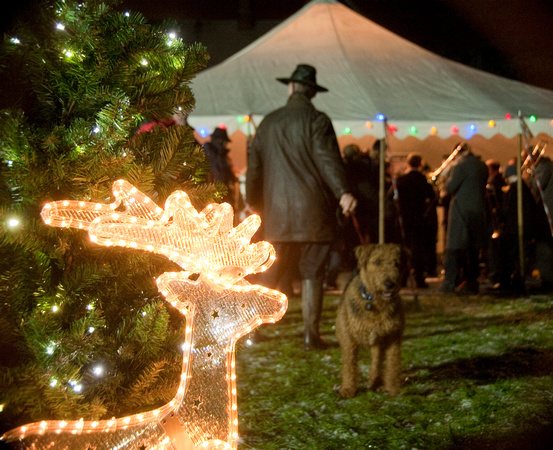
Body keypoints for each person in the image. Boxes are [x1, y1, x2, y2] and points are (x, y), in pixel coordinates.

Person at [246, 64, 357, 350]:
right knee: (313, 273)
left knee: (270, 273)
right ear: (312, 92)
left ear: (291, 88)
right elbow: (328, 160)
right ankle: (310, 335)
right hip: (314, 214)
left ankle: (254, 331)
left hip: (276, 215)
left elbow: (255, 168)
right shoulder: (317, 120)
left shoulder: (269, 122)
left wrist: (253, 203)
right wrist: (343, 191)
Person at [440, 143, 489, 295]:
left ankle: (450, 282)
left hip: (461, 211)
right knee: (473, 250)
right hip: (478, 210)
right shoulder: (482, 165)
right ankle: (471, 282)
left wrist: (445, 178)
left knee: (455, 248)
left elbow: (449, 188)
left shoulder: (460, 166)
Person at [395, 153, 436, 288]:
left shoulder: (401, 180)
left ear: (408, 163)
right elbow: (432, 197)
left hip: (405, 219)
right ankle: (419, 279)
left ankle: (402, 278)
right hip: (419, 219)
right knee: (418, 250)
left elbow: (392, 196)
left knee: (404, 249)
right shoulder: (422, 179)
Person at [203, 127, 241, 210]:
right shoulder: (212, 154)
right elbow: (220, 173)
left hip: (221, 194)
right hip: (214, 195)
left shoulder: (221, 156)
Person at [485, 159, 506, 285]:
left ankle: (494, 275)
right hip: (499, 220)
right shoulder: (501, 180)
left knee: (493, 249)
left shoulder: (493, 183)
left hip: (494, 221)